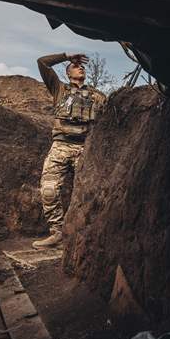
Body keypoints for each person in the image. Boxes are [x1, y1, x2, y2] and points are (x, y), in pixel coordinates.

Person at [32, 52, 106, 249]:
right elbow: (42, 62)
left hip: (86, 148)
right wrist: (67, 56)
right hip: (60, 147)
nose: (80, 67)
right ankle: (57, 233)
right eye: (75, 66)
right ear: (67, 73)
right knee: (48, 190)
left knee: (88, 193)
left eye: (81, 66)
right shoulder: (59, 89)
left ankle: (84, 235)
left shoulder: (97, 96)